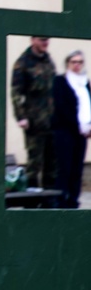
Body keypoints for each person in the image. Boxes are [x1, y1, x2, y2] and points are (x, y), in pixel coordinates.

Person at [11, 36, 57, 188]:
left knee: (52, 164)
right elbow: (16, 93)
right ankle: (31, 203)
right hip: (34, 122)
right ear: (33, 40)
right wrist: (21, 117)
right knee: (34, 164)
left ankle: (49, 203)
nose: (45, 43)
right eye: (42, 40)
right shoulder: (23, 63)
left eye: (47, 40)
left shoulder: (48, 61)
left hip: (51, 120)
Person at [52, 50, 91, 208]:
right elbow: (61, 106)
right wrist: (77, 125)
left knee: (77, 168)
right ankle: (61, 200)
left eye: (80, 62)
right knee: (64, 167)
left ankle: (73, 199)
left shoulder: (84, 82)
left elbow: (87, 105)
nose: (77, 65)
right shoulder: (61, 81)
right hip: (65, 131)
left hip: (82, 132)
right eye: (74, 62)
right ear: (68, 64)